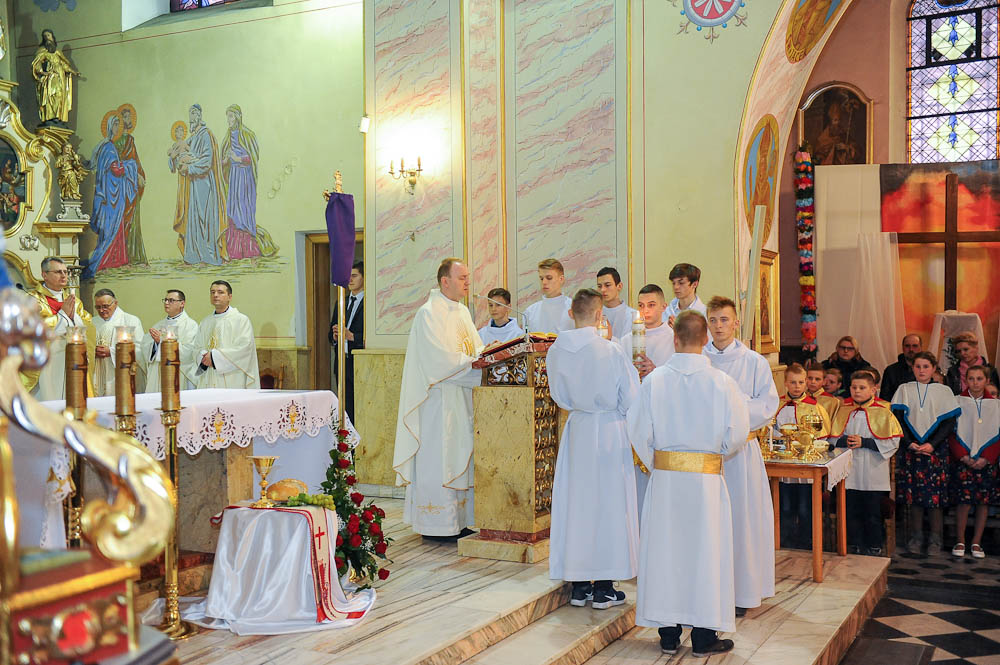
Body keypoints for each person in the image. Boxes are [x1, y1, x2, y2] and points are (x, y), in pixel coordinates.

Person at [628, 310, 749, 657]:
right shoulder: (722, 383)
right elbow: (737, 433)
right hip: (706, 483)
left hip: (666, 481)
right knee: (705, 554)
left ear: (675, 339)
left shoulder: (655, 381)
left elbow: (637, 428)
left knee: (666, 552)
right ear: (705, 340)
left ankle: (668, 634)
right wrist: (714, 453)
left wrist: (659, 463)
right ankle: (704, 636)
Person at [547, 288, 639, 610]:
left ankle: (579, 585)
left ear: (571, 313)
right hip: (609, 430)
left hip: (577, 430)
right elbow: (631, 397)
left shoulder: (556, 351)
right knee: (608, 506)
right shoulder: (610, 350)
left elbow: (558, 395)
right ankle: (604, 587)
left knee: (578, 504)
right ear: (600, 315)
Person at [392, 258, 483, 538]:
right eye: (462, 277)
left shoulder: (462, 312)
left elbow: (475, 348)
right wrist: (475, 362)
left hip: (460, 398)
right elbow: (438, 361)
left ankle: (460, 521)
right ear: (445, 281)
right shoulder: (428, 314)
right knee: (439, 460)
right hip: (437, 402)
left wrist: (486, 356)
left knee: (459, 456)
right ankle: (436, 525)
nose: (468, 282)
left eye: (467, 277)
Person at [702, 296, 777, 616]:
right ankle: (709, 590)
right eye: (713, 320)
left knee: (742, 520)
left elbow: (767, 405)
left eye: (724, 320)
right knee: (709, 522)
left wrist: (731, 412)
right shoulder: (698, 360)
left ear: (736, 323)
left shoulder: (754, 362)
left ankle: (741, 592)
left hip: (741, 454)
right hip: (706, 455)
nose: (718, 326)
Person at [891, 351, 961, 555]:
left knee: (934, 497)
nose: (921, 370)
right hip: (911, 450)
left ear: (934, 368)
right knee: (914, 496)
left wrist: (932, 444)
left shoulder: (943, 391)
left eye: (926, 367)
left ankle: (935, 539)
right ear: (912, 368)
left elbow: (949, 422)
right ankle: (916, 536)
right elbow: (898, 419)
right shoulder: (904, 389)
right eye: (918, 366)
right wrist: (908, 442)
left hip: (935, 452)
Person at [828, 370, 902, 556]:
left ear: (873, 390)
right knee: (850, 510)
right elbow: (831, 439)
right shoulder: (843, 410)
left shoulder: (883, 412)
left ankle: (874, 545)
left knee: (872, 513)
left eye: (862, 388)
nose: (857, 391)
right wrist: (844, 441)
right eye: (854, 387)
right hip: (849, 472)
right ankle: (854, 543)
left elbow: (893, 442)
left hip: (873, 471)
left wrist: (865, 442)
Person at [618, 284, 675, 516]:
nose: (646, 311)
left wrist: (656, 370)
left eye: (652, 305)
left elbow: (679, 378)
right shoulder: (625, 341)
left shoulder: (674, 340)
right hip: (633, 416)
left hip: (662, 417)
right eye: (641, 306)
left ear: (663, 306)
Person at [773, 363, 831, 548]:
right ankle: (785, 541)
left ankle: (807, 543)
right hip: (784, 465)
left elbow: (822, 436)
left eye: (800, 382)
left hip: (806, 467)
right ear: (785, 383)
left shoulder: (815, 408)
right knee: (785, 506)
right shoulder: (777, 405)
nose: (797, 386)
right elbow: (771, 432)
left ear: (806, 383)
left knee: (806, 507)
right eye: (792, 382)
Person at [22, 257, 95, 399]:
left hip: (74, 360)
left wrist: (74, 318)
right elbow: (29, 328)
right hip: (48, 364)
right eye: (58, 272)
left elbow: (89, 325)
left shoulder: (75, 301)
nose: (63, 275)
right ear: (44, 275)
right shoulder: (32, 299)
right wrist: (62, 316)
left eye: (65, 272)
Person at [949, 365, 999, 559]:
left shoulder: (996, 405)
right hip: (964, 460)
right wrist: (963, 456)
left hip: (986, 461)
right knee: (964, 501)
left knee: (982, 502)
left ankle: (977, 542)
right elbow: (952, 432)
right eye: (971, 378)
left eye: (979, 379)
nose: (975, 383)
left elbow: (997, 434)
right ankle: (960, 540)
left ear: (987, 381)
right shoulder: (957, 402)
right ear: (965, 380)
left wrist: (987, 458)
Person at [85, 113, 139, 279]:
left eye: (118, 125)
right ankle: (101, 262)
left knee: (116, 228)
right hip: (109, 197)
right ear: (109, 127)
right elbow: (116, 169)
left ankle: (117, 260)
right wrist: (131, 166)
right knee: (109, 230)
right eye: (115, 125)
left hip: (114, 195)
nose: (118, 128)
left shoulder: (108, 146)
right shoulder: (108, 147)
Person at [176, 104, 226, 266]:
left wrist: (190, 166)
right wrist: (178, 160)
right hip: (194, 184)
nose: (191, 117)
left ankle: (208, 256)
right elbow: (182, 152)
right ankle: (194, 255)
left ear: (199, 116)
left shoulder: (205, 134)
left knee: (205, 220)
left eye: (194, 114)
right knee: (194, 220)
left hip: (205, 184)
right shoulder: (193, 137)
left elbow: (206, 161)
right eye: (190, 114)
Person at [193, 280, 260, 388]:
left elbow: (244, 349)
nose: (215, 295)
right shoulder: (205, 322)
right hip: (209, 378)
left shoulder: (241, 320)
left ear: (230, 296)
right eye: (212, 292)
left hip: (232, 379)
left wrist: (213, 358)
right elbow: (197, 348)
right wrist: (204, 356)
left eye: (220, 292)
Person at [141, 289, 199, 392]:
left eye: (171, 300)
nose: (166, 303)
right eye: (165, 300)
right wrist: (156, 343)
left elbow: (189, 353)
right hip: (157, 375)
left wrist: (163, 341)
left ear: (182, 303)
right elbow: (145, 348)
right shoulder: (159, 325)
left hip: (178, 374)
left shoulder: (190, 325)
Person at [92, 289, 145, 397]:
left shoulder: (130, 321)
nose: (101, 310)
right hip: (97, 373)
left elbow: (140, 350)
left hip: (121, 375)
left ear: (115, 303)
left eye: (105, 306)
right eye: (98, 307)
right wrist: (93, 351)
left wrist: (112, 352)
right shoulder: (92, 322)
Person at [329, 261, 365, 420]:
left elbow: (369, 336)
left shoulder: (369, 303)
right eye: (348, 276)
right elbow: (330, 334)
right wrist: (335, 336)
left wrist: (352, 336)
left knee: (360, 407)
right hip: (342, 362)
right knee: (345, 408)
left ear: (364, 278)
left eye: (354, 276)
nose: (350, 279)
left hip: (359, 362)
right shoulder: (340, 302)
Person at [115, 104, 148, 266]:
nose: (128, 120)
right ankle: (123, 256)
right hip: (123, 186)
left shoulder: (130, 140)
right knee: (124, 220)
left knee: (133, 220)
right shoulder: (118, 142)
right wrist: (135, 173)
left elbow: (135, 161)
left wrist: (139, 174)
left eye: (129, 117)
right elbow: (118, 163)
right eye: (125, 117)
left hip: (132, 186)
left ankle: (134, 256)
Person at [31, 29, 79, 127]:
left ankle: (57, 117)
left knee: (59, 96)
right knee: (50, 97)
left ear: (53, 38)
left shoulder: (57, 53)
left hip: (60, 78)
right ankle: (50, 117)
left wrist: (73, 71)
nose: (47, 38)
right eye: (45, 36)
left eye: (48, 35)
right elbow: (36, 64)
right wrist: (43, 72)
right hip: (50, 79)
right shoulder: (43, 52)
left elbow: (63, 64)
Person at [523, 258, 573, 334]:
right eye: (541, 278)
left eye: (549, 278)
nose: (544, 282)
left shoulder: (574, 308)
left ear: (561, 279)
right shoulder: (530, 312)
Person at [946, 332, 1000, 397]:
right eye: (959, 351)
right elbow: (949, 395)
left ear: (976, 348)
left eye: (966, 349)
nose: (962, 353)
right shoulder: (953, 371)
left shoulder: (990, 370)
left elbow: (996, 394)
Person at [596, 267, 636, 341]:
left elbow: (630, 345)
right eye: (599, 286)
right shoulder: (595, 314)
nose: (602, 290)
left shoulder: (632, 316)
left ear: (619, 286)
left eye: (607, 285)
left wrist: (610, 338)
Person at [880, 334, 922, 401]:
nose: (911, 349)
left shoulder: (929, 370)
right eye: (907, 346)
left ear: (920, 348)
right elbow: (884, 399)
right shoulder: (891, 371)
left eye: (915, 346)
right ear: (903, 348)